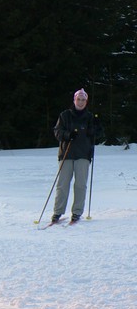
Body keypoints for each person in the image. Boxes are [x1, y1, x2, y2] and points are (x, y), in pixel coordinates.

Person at [51, 88, 103, 223]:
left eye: (83, 100)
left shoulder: (90, 117)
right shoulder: (65, 115)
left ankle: (77, 212)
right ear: (74, 100)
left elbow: (97, 135)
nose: (80, 102)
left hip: (83, 154)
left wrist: (96, 128)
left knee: (80, 185)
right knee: (62, 185)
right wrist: (67, 135)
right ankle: (58, 212)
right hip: (66, 154)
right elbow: (57, 132)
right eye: (78, 99)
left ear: (86, 101)